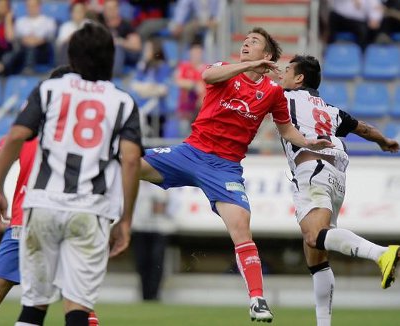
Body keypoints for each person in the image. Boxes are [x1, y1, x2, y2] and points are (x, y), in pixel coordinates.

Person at [139, 27, 334, 323]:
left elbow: (285, 130)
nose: (246, 43)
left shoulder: (273, 93)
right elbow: (206, 77)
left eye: (254, 42)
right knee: (129, 164)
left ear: (267, 55)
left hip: (225, 167)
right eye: (245, 40)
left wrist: (307, 142)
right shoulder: (225, 70)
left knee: (242, 226)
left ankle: (257, 299)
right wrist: (247, 66)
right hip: (190, 152)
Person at [0, 23, 142, 326]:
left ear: (71, 57)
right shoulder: (123, 101)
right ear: (112, 59)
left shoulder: (50, 89)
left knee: (33, 307)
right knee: (78, 310)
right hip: (90, 210)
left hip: (43, 204)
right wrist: (125, 220)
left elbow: (17, 135)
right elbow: (132, 160)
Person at [0, 67, 100, 326]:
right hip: (72, 220)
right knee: (80, 305)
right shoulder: (84, 131)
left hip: (24, 220)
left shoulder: (30, 124)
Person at [279, 54, 400, 326]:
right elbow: (365, 129)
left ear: (299, 78)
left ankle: (381, 254)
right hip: (336, 176)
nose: (280, 75)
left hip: (312, 167)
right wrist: (385, 141)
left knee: (314, 237)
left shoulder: (284, 98)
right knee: (316, 255)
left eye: (286, 71)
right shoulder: (330, 109)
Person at [132, 181, 174, 301]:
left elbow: (162, 206)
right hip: (140, 228)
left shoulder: (160, 184)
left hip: (158, 228)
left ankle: (155, 294)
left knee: (156, 262)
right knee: (142, 262)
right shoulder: (136, 184)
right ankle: (145, 294)